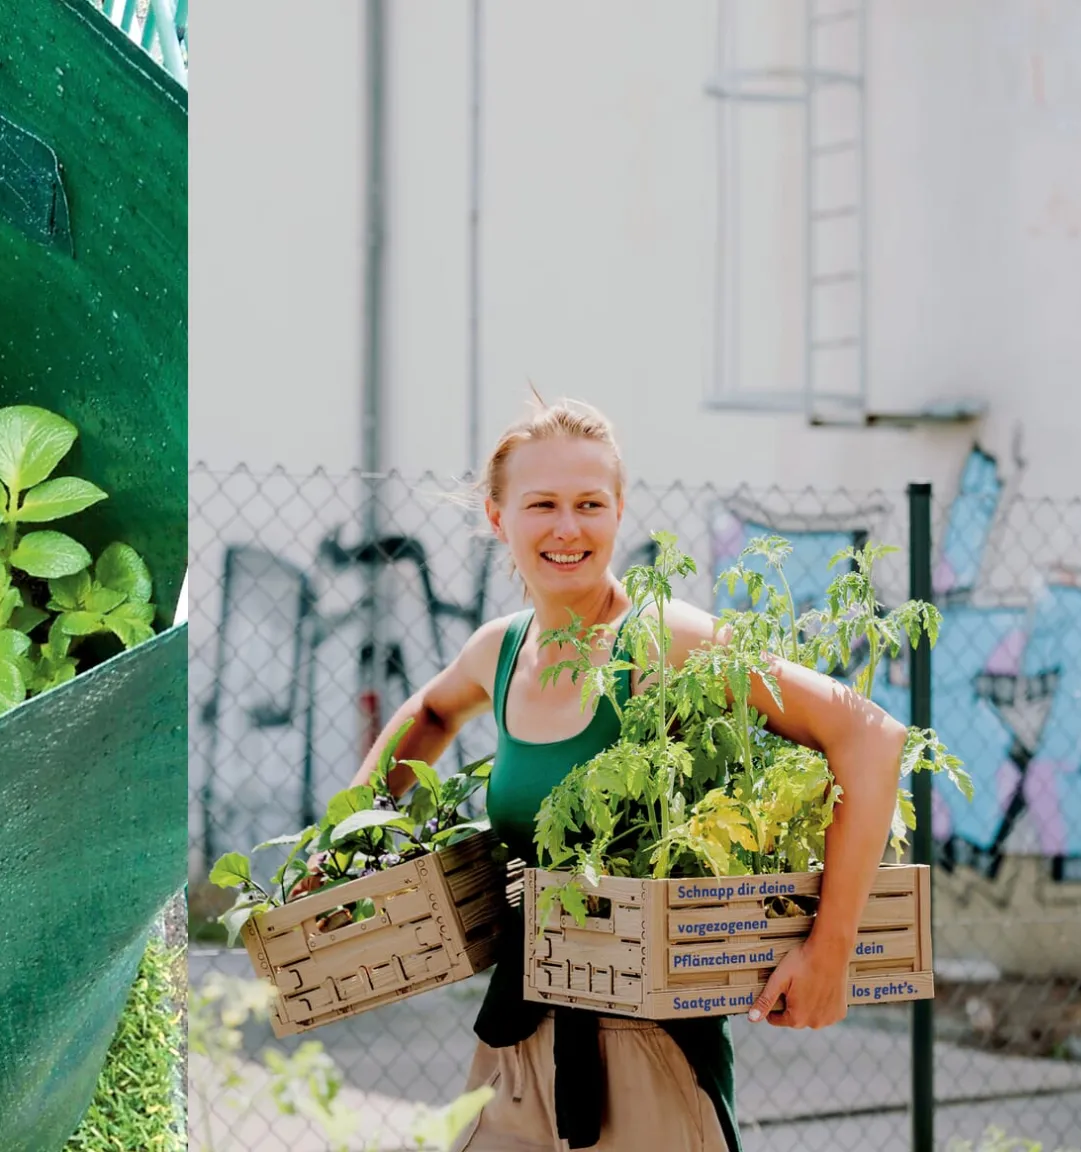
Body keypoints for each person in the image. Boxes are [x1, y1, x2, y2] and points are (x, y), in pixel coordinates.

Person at [325, 397, 910, 1151]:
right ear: (499, 518)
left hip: (649, 1057)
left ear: (618, 513)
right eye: (543, 504)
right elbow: (431, 714)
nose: (568, 528)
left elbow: (867, 734)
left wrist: (829, 951)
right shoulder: (499, 653)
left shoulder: (666, 641)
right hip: (516, 1044)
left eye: (589, 504)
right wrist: (342, 844)